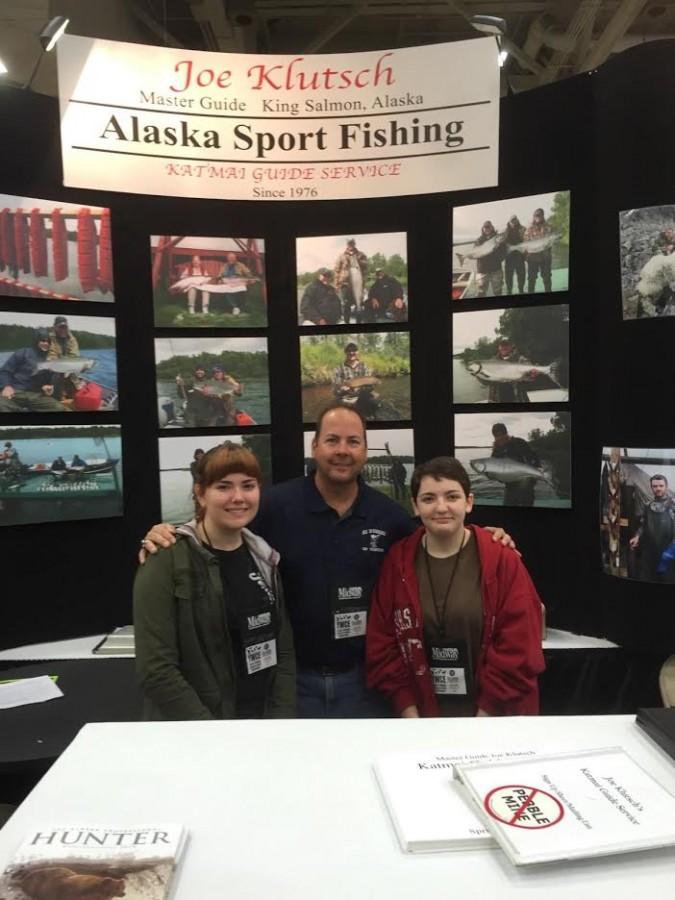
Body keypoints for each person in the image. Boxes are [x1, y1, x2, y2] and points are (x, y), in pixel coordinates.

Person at [140, 404, 516, 718]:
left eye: (353, 442)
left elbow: (438, 539)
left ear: (365, 450)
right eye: (332, 440)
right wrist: (169, 533)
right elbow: (221, 527)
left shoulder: (390, 517)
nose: (342, 450)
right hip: (291, 683)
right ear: (315, 446)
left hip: (366, 684)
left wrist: (488, 537)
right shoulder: (274, 506)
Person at [366, 456, 544, 717]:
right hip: (420, 720)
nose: (441, 507)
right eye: (428, 499)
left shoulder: (501, 560)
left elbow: (520, 646)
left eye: (452, 497)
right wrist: (409, 713)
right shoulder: (397, 562)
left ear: (469, 502)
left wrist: (483, 720)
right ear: (414, 505)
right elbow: (382, 642)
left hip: (495, 721)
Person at [134, 442, 295, 720]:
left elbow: (284, 651)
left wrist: (280, 721)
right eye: (223, 487)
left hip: (261, 725)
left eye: (248, 485)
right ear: (200, 493)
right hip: (196, 737)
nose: (238, 497)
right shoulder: (165, 560)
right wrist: (213, 735)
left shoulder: (264, 556)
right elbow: (157, 671)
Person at [0, 328, 66, 412]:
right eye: (43, 340)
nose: (46, 343)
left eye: (48, 341)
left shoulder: (50, 359)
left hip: (36, 395)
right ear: (36, 341)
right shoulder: (22, 352)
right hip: (15, 392)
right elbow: (5, 371)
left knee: (58, 408)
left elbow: (48, 382)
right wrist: (6, 386)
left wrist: (48, 386)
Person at [629, 474, 675, 583]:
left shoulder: (673, 506)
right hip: (650, 551)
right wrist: (637, 537)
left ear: (666, 486)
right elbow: (643, 524)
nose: (658, 488)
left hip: (668, 552)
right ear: (651, 487)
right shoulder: (648, 506)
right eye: (655, 486)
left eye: (661, 486)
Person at [491, 422, 543, 507]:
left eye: (502, 435)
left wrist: (538, 467)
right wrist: (493, 475)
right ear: (494, 437)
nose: (500, 438)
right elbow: (496, 473)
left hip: (527, 484)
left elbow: (533, 456)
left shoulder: (519, 442)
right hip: (510, 486)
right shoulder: (496, 451)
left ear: (506, 433)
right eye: (497, 436)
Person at [334, 238, 368, 323]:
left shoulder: (361, 254)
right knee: (346, 304)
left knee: (358, 303)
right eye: (349, 244)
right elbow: (336, 271)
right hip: (345, 284)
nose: (351, 245)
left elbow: (366, 265)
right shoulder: (341, 256)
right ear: (347, 245)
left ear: (354, 244)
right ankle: (347, 322)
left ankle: (358, 322)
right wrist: (336, 285)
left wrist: (358, 260)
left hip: (358, 283)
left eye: (352, 243)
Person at [473, 220, 505, 297]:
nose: (487, 228)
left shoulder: (498, 238)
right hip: (482, 271)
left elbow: (504, 253)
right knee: (481, 292)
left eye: (488, 227)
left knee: (498, 292)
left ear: (492, 228)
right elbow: (475, 254)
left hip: (496, 269)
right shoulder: (478, 240)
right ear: (483, 229)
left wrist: (497, 250)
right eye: (485, 227)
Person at [525, 208, 553, 293]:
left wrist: (549, 244)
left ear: (543, 216)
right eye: (536, 215)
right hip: (532, 258)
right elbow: (525, 242)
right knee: (531, 279)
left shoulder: (549, 227)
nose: (538, 217)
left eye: (540, 215)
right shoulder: (529, 229)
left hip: (545, 257)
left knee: (547, 278)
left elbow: (552, 241)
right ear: (534, 216)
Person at [218, 251, 254, 315]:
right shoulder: (224, 266)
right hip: (228, 283)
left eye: (233, 257)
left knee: (242, 289)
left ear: (235, 258)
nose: (231, 259)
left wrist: (250, 278)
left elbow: (248, 272)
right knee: (226, 290)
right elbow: (220, 275)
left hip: (238, 283)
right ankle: (235, 307)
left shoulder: (240, 265)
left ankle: (238, 306)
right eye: (230, 257)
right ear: (227, 258)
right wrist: (220, 279)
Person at [503, 215, 526, 294]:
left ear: (517, 220)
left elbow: (527, 240)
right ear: (509, 222)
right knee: (508, 278)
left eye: (515, 220)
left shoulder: (523, 229)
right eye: (512, 220)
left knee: (521, 276)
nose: (514, 222)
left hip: (520, 257)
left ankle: (521, 291)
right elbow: (502, 244)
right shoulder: (505, 231)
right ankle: (509, 292)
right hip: (509, 258)